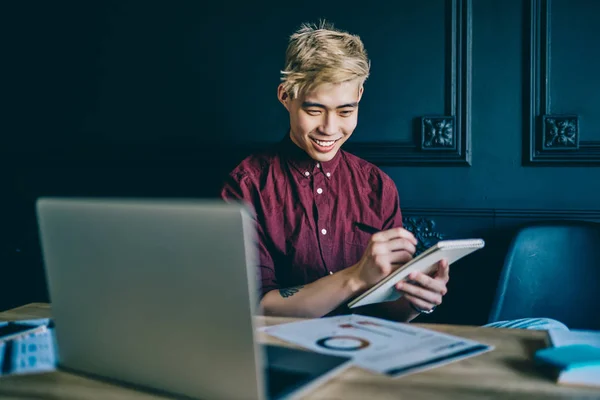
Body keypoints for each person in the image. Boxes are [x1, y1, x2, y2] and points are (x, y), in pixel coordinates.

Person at [221, 21, 567, 330]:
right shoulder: (247, 185)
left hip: (373, 348)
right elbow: (259, 309)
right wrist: (355, 277)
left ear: (359, 97)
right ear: (286, 97)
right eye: (314, 110)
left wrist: (415, 301)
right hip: (290, 354)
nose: (330, 128)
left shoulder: (376, 186)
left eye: (345, 111)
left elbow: (387, 312)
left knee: (546, 328)